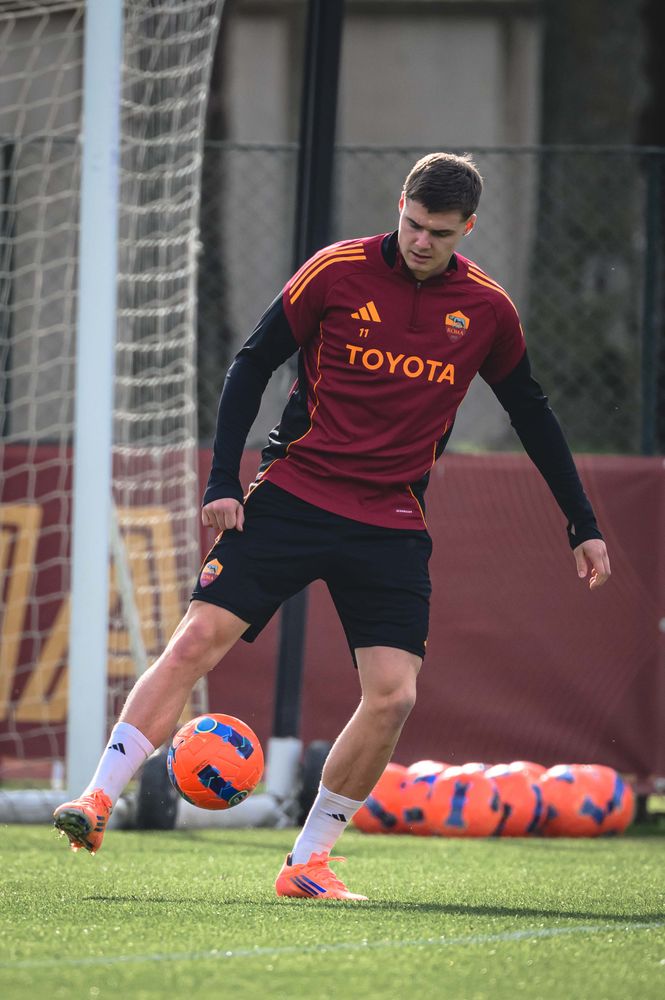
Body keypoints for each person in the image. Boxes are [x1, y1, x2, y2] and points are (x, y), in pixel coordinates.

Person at [54, 152, 610, 899]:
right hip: (293, 493)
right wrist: (223, 481)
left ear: (465, 228)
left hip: (388, 519)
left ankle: (307, 862)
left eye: (438, 232)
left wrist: (582, 522)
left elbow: (530, 412)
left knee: (393, 695)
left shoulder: (486, 309)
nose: (419, 241)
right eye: (412, 223)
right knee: (195, 639)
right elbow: (251, 364)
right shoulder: (335, 271)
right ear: (401, 205)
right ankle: (96, 799)